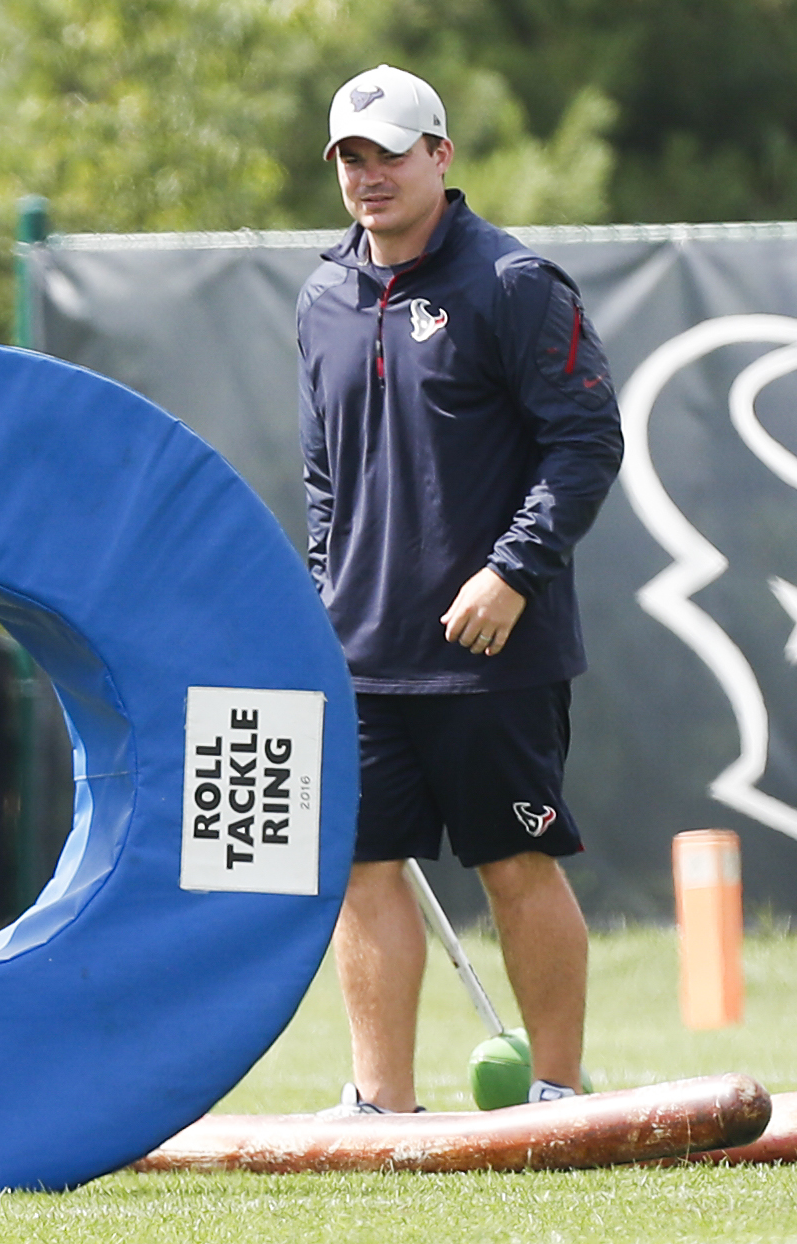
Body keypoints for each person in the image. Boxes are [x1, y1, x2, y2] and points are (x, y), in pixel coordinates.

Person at [297, 66, 624, 1113]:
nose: (367, 174)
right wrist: (319, 591)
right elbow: (322, 474)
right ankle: (377, 1102)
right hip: (357, 651)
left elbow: (584, 442)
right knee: (361, 868)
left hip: (492, 647)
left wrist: (510, 570)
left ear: (439, 156)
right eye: (349, 156)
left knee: (513, 858)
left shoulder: (513, 284)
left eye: (387, 152)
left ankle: (558, 1089)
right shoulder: (320, 297)